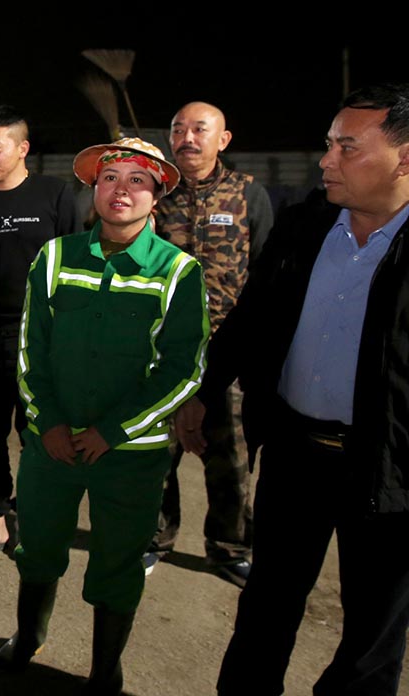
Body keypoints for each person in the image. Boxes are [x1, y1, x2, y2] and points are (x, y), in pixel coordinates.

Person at [185, 84, 409, 696]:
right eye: (327, 144)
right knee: (265, 614)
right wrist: (203, 389)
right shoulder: (305, 224)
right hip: (295, 455)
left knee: (371, 640)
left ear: (406, 157)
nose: (325, 160)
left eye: (346, 147)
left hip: (387, 475)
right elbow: (252, 317)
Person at [3, 138, 208, 696]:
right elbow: (30, 350)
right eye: (111, 178)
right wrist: (47, 423)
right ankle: (28, 637)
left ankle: (104, 668)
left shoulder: (178, 271)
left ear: (157, 195)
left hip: (130, 455)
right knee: (38, 546)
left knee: (117, 564)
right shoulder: (56, 256)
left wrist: (112, 431)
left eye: (137, 181)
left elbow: (184, 371)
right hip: (53, 444)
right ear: (95, 190)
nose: (122, 190)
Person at [145, 101, 273, 585]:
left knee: (232, 458)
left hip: (229, 349)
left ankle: (229, 546)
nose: (187, 138)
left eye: (200, 129)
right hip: (162, 350)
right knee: (155, 453)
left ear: (223, 139)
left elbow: (264, 270)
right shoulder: (156, 194)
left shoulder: (247, 195)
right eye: (178, 129)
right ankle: (153, 537)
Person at [0, 105, 78, 563]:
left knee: (40, 436)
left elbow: (76, 268)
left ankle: (33, 521)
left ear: (23, 149)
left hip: (40, 340)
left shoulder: (55, 195)